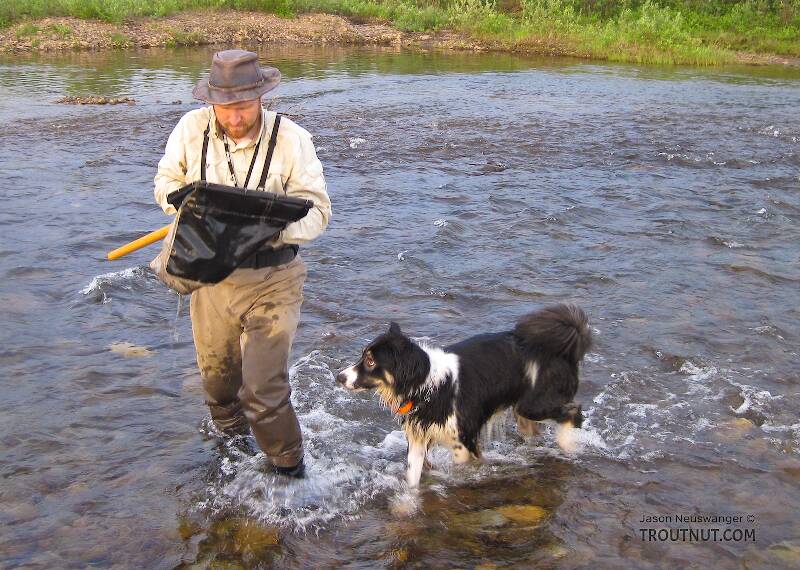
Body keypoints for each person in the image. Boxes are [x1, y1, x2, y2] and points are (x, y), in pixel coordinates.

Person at [153, 49, 331, 477]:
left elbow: (319, 213)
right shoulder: (189, 129)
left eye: (244, 107)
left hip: (275, 276)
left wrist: (260, 227)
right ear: (211, 101)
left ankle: (291, 474)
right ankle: (231, 452)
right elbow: (164, 184)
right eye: (225, 108)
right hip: (210, 276)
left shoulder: (293, 140)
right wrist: (193, 206)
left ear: (262, 98)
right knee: (218, 387)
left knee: (264, 388)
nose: (234, 118)